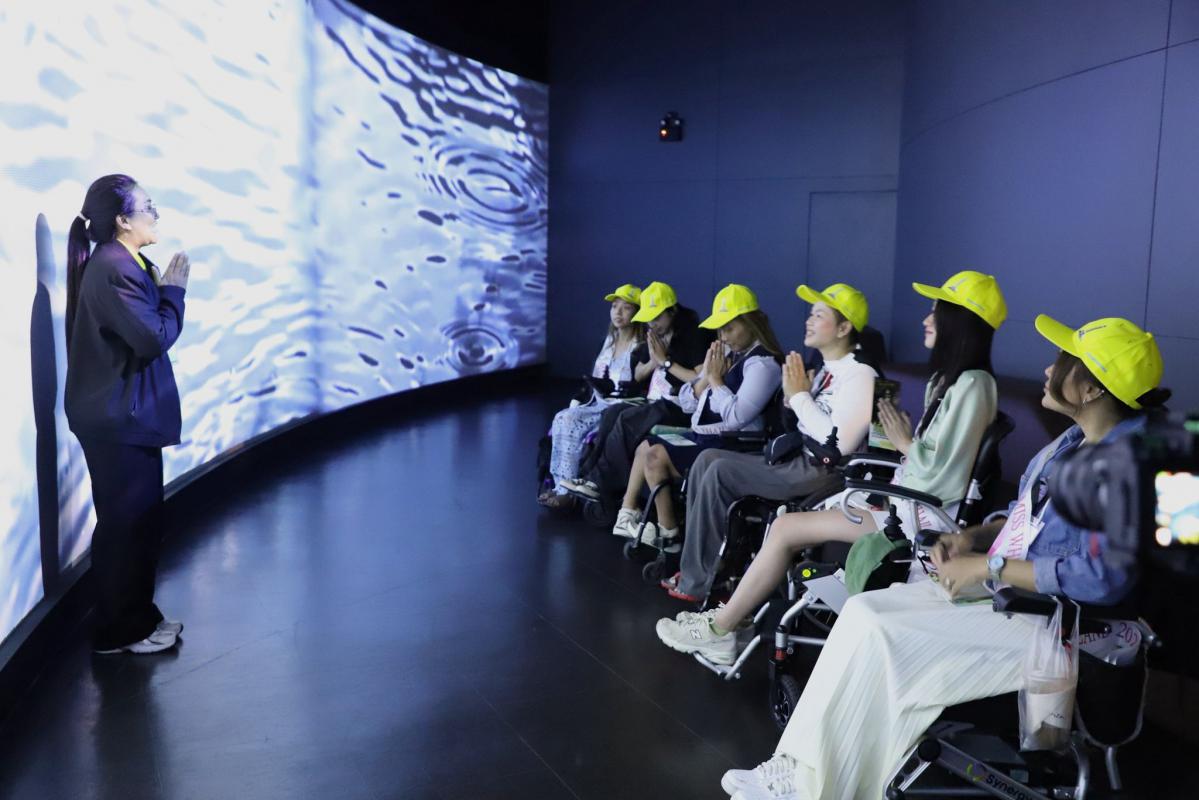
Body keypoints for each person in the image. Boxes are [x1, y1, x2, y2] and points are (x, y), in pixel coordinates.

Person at [713, 314, 1169, 800]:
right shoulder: (1070, 443)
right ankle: (797, 768)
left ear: (1092, 389)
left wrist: (989, 566)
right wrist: (973, 537)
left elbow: (1101, 580)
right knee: (863, 612)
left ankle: (817, 787)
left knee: (887, 637)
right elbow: (1025, 517)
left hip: (1055, 625)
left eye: (1062, 361)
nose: (1047, 369)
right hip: (1009, 596)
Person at [657, 270, 1004, 649]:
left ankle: (718, 627)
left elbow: (927, 470)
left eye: (936, 311)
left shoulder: (971, 384)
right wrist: (797, 399)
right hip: (898, 503)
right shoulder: (947, 381)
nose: (926, 319)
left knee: (771, 516)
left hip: (911, 513)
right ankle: (724, 621)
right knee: (761, 505)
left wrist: (904, 443)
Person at [663, 282, 879, 602]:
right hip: (798, 458)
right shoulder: (825, 370)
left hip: (823, 471)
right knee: (708, 458)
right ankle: (700, 567)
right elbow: (807, 423)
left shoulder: (861, 374)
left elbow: (840, 445)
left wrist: (800, 398)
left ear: (844, 328)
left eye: (819, 315)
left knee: (720, 470)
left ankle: (699, 582)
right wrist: (796, 401)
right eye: (811, 314)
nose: (809, 320)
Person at [64, 174, 191, 655]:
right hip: (116, 419)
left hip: (123, 416)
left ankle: (137, 618)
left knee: (138, 524)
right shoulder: (114, 267)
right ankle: (120, 631)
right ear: (122, 220)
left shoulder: (122, 263)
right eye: (147, 207)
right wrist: (174, 293)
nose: (155, 215)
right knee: (126, 528)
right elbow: (152, 338)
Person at [611, 284, 783, 551]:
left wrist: (715, 381)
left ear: (751, 323)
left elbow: (736, 417)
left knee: (655, 456)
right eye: (720, 330)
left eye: (729, 329)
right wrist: (705, 381)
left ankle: (669, 535)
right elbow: (687, 401)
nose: (723, 337)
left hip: (734, 443)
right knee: (645, 446)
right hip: (705, 435)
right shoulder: (726, 354)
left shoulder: (763, 364)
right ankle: (637, 518)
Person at [561, 281, 711, 508]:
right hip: (657, 401)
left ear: (672, 311)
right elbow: (638, 374)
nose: (653, 323)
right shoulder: (656, 334)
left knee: (627, 419)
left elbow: (701, 379)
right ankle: (588, 476)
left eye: (657, 317)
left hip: (683, 405)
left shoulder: (693, 335)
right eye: (648, 318)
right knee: (612, 413)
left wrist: (666, 362)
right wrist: (654, 360)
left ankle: (599, 484)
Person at [539, 284, 646, 509]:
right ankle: (560, 486)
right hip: (597, 402)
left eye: (626, 308)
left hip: (622, 407)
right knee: (562, 417)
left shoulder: (642, 346)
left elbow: (640, 386)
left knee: (569, 419)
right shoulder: (607, 342)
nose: (618, 312)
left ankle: (567, 493)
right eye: (614, 306)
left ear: (637, 313)